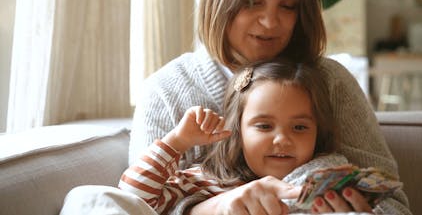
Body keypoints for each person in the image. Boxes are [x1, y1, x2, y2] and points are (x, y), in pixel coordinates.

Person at [123, 0, 412, 214]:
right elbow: (135, 208)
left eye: (288, 6)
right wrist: (217, 207)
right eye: (252, 2)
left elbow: (394, 204)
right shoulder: (166, 91)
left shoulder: (331, 82)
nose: (270, 21)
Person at [120, 59, 358, 214]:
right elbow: (132, 201)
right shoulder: (204, 181)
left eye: (299, 128)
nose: (282, 139)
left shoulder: (331, 176)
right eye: (264, 126)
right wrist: (177, 142)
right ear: (237, 131)